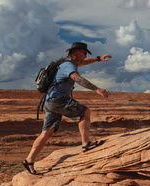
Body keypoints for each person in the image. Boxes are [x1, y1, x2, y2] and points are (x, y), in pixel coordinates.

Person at [21, 42, 111, 174]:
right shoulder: (68, 65)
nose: (86, 56)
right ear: (77, 52)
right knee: (84, 112)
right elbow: (77, 78)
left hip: (50, 101)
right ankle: (86, 144)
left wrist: (98, 59)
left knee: (47, 132)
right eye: (85, 53)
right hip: (58, 99)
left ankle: (29, 160)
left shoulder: (65, 62)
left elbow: (84, 63)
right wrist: (96, 89)